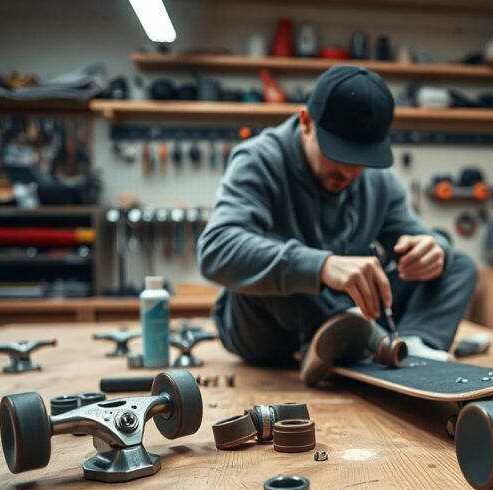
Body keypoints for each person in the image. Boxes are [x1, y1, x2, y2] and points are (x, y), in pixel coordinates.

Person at [197, 65, 477, 368]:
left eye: (361, 159)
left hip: (349, 317)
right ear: (306, 122)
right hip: (264, 332)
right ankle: (368, 343)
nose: (349, 172)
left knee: (457, 264)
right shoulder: (259, 159)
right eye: (338, 153)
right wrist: (322, 266)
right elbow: (216, 249)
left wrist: (432, 250)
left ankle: (408, 352)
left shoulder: (379, 182)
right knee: (277, 255)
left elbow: (415, 238)